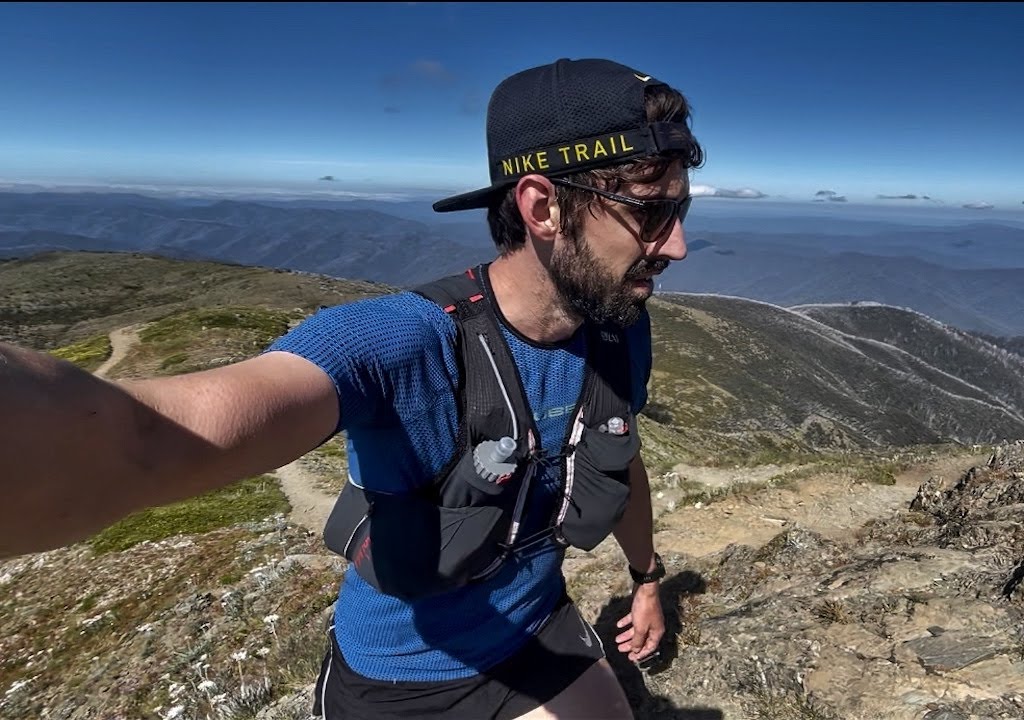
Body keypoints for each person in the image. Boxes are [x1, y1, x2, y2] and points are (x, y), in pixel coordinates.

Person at [0, 57, 704, 719]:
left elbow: (618, 457)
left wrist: (646, 579)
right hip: (398, 679)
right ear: (542, 208)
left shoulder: (619, 329)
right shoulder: (396, 342)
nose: (675, 245)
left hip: (539, 631)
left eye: (682, 211)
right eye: (648, 212)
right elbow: (145, 438)